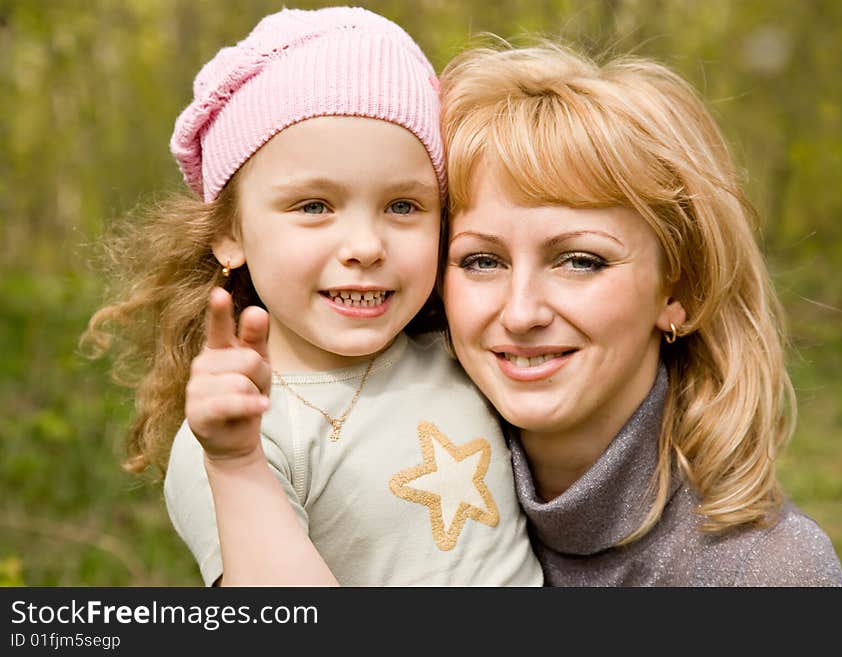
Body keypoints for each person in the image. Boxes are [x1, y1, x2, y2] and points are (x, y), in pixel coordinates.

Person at [82, 7, 542, 587]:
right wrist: (237, 465)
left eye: (403, 206)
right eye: (314, 206)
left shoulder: (460, 353)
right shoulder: (238, 434)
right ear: (230, 231)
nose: (366, 245)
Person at [437, 42, 842, 586]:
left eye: (580, 261)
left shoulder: (770, 571)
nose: (520, 312)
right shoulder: (382, 500)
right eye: (482, 260)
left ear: (681, 290)